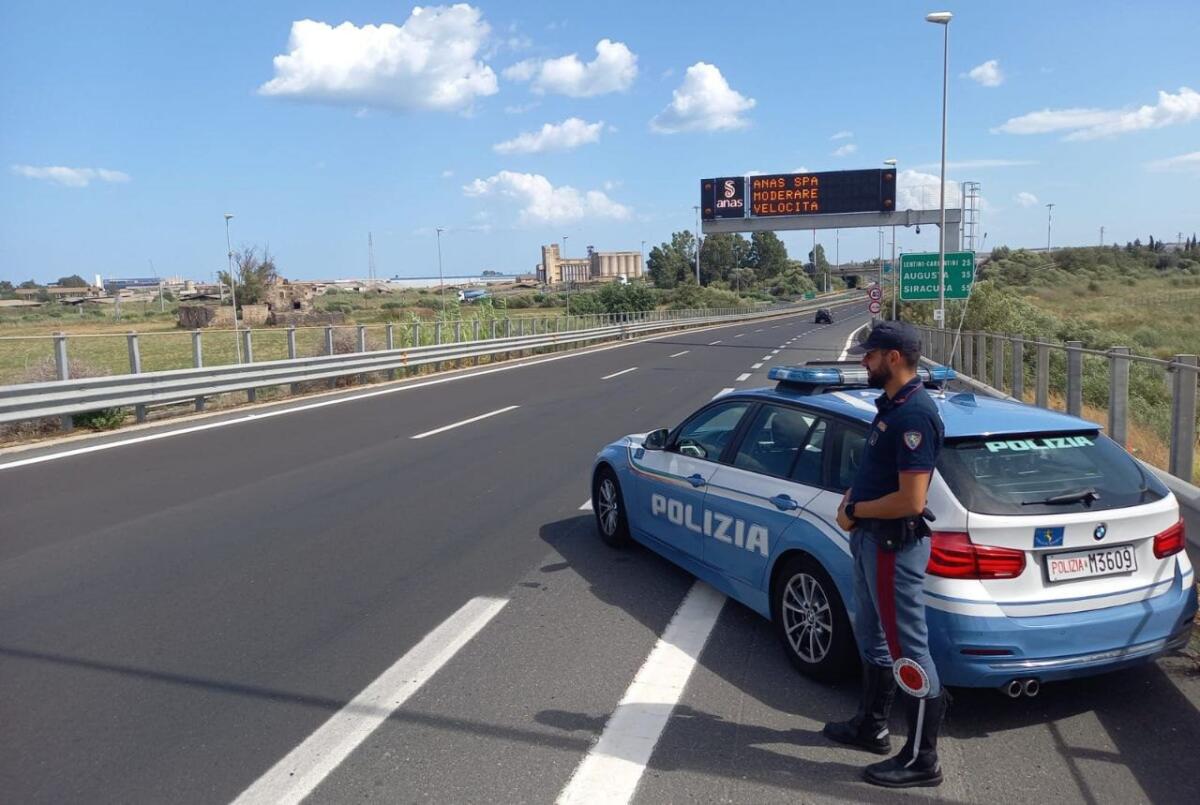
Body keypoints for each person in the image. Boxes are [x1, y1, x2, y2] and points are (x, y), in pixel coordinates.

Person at [822, 320, 948, 789]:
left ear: (894, 357)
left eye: (871, 354)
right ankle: (871, 726)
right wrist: (855, 500)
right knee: (872, 636)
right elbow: (879, 472)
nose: (864, 360)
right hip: (872, 540)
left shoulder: (914, 414)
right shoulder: (892, 406)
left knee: (908, 649)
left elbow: (912, 500)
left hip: (894, 546)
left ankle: (922, 759)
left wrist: (855, 509)